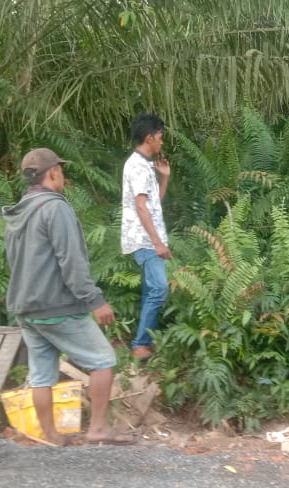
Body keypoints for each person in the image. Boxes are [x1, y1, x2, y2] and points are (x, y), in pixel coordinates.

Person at [4, 147, 135, 446]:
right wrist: (94, 300)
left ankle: (51, 435)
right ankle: (98, 428)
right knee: (102, 359)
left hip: (25, 307)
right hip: (56, 305)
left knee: (41, 375)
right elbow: (71, 261)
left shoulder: (20, 211)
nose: (63, 176)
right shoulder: (55, 208)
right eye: (61, 171)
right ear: (52, 173)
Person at [121, 113, 171, 360]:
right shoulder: (138, 166)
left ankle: (145, 341)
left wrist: (164, 177)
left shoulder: (144, 165)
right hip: (145, 240)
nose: (162, 141)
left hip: (148, 237)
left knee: (152, 289)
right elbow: (141, 207)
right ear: (149, 137)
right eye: (160, 136)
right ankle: (140, 344)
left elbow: (153, 206)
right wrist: (157, 242)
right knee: (160, 288)